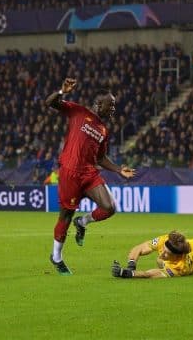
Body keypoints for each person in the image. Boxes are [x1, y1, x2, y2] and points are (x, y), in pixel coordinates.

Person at [45, 78, 136, 275]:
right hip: (70, 172)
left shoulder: (104, 130)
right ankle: (56, 257)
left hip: (89, 173)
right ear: (98, 104)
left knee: (110, 207)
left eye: (114, 105)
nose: (113, 108)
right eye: (110, 104)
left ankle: (83, 222)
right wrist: (62, 91)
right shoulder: (78, 112)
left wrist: (118, 169)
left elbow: (101, 158)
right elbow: (50, 103)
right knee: (65, 216)